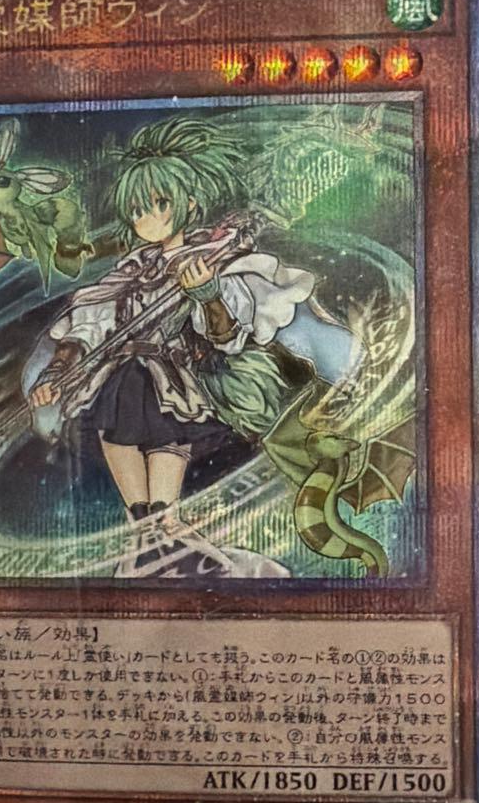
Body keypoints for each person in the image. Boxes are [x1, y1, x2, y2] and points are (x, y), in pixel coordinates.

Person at [23, 116, 365, 574]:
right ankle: (155, 555)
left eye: (158, 204)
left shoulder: (213, 261)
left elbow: (224, 335)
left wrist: (206, 295)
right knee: (139, 505)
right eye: (136, 210)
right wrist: (55, 373)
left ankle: (197, 558)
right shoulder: (130, 272)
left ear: (187, 203)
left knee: (163, 505)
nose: (146, 219)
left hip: (175, 382)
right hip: (123, 381)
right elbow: (85, 327)